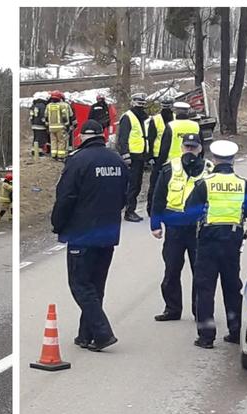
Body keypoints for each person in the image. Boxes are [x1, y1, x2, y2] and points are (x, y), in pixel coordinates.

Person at [52, 119, 129, 352]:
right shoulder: (117, 160)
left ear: (82, 136)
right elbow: (125, 195)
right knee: (96, 285)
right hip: (108, 233)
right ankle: (86, 335)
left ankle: (103, 333)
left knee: (80, 284)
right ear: (102, 136)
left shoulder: (78, 161)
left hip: (82, 233)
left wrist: (58, 224)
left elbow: (65, 197)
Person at [184, 140, 247, 348]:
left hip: (208, 240)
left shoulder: (205, 184)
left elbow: (189, 210)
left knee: (205, 288)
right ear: (233, 160)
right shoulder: (243, 184)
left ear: (214, 159)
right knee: (231, 286)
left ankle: (206, 336)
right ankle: (235, 330)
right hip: (232, 241)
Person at [150, 134, 213, 321]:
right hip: (174, 228)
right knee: (171, 270)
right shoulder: (170, 169)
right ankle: (172, 309)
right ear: (182, 147)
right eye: (187, 147)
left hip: (198, 228)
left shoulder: (209, 170)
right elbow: (158, 197)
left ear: (200, 149)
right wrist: (155, 224)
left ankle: (199, 311)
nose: (190, 151)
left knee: (200, 272)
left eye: (193, 147)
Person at [117, 92, 148, 222]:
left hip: (140, 155)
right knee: (132, 185)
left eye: (142, 104)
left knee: (137, 184)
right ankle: (129, 211)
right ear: (133, 103)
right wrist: (125, 155)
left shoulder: (143, 118)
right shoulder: (128, 117)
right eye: (138, 103)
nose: (140, 106)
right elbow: (122, 138)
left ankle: (131, 210)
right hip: (132, 156)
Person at [146, 97, 174, 216]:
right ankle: (151, 208)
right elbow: (151, 138)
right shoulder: (156, 119)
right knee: (155, 184)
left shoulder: (176, 118)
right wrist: (150, 156)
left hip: (172, 156)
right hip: (159, 157)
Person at [157, 102, 200, 169]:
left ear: (176, 112)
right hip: (192, 161)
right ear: (188, 112)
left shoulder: (171, 126)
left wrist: (160, 163)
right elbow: (201, 145)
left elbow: (164, 147)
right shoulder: (195, 125)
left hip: (173, 163)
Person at [45, 90, 72, 160]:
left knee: (53, 141)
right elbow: (64, 116)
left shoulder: (48, 106)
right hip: (60, 127)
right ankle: (61, 156)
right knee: (61, 141)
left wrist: (47, 125)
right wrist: (67, 124)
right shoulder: (62, 105)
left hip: (51, 127)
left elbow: (46, 116)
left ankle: (54, 154)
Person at [30, 92, 50, 157]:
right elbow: (43, 116)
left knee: (36, 138)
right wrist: (46, 123)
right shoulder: (43, 106)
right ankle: (39, 153)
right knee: (41, 139)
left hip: (34, 125)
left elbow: (31, 116)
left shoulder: (34, 105)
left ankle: (34, 151)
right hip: (40, 125)